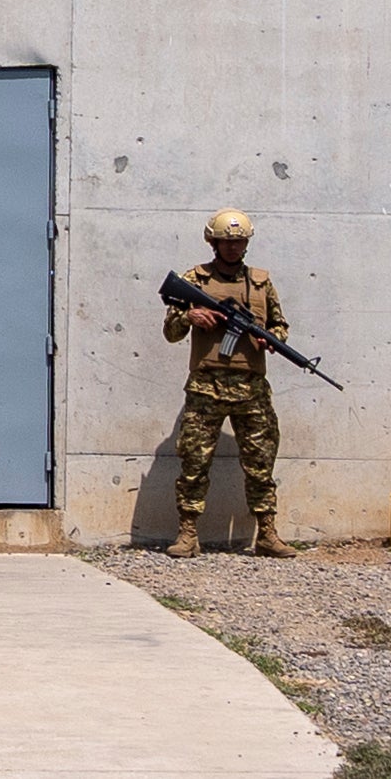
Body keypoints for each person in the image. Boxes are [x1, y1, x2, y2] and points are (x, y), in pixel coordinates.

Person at [162, 207, 297, 559]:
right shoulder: (195, 280)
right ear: (214, 242)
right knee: (194, 462)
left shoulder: (261, 282)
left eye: (239, 242)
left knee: (261, 462)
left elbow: (281, 326)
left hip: (251, 388)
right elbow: (171, 332)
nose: (233, 248)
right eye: (227, 242)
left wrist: (270, 337)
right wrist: (190, 315)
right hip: (206, 388)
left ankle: (266, 533)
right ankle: (188, 534)